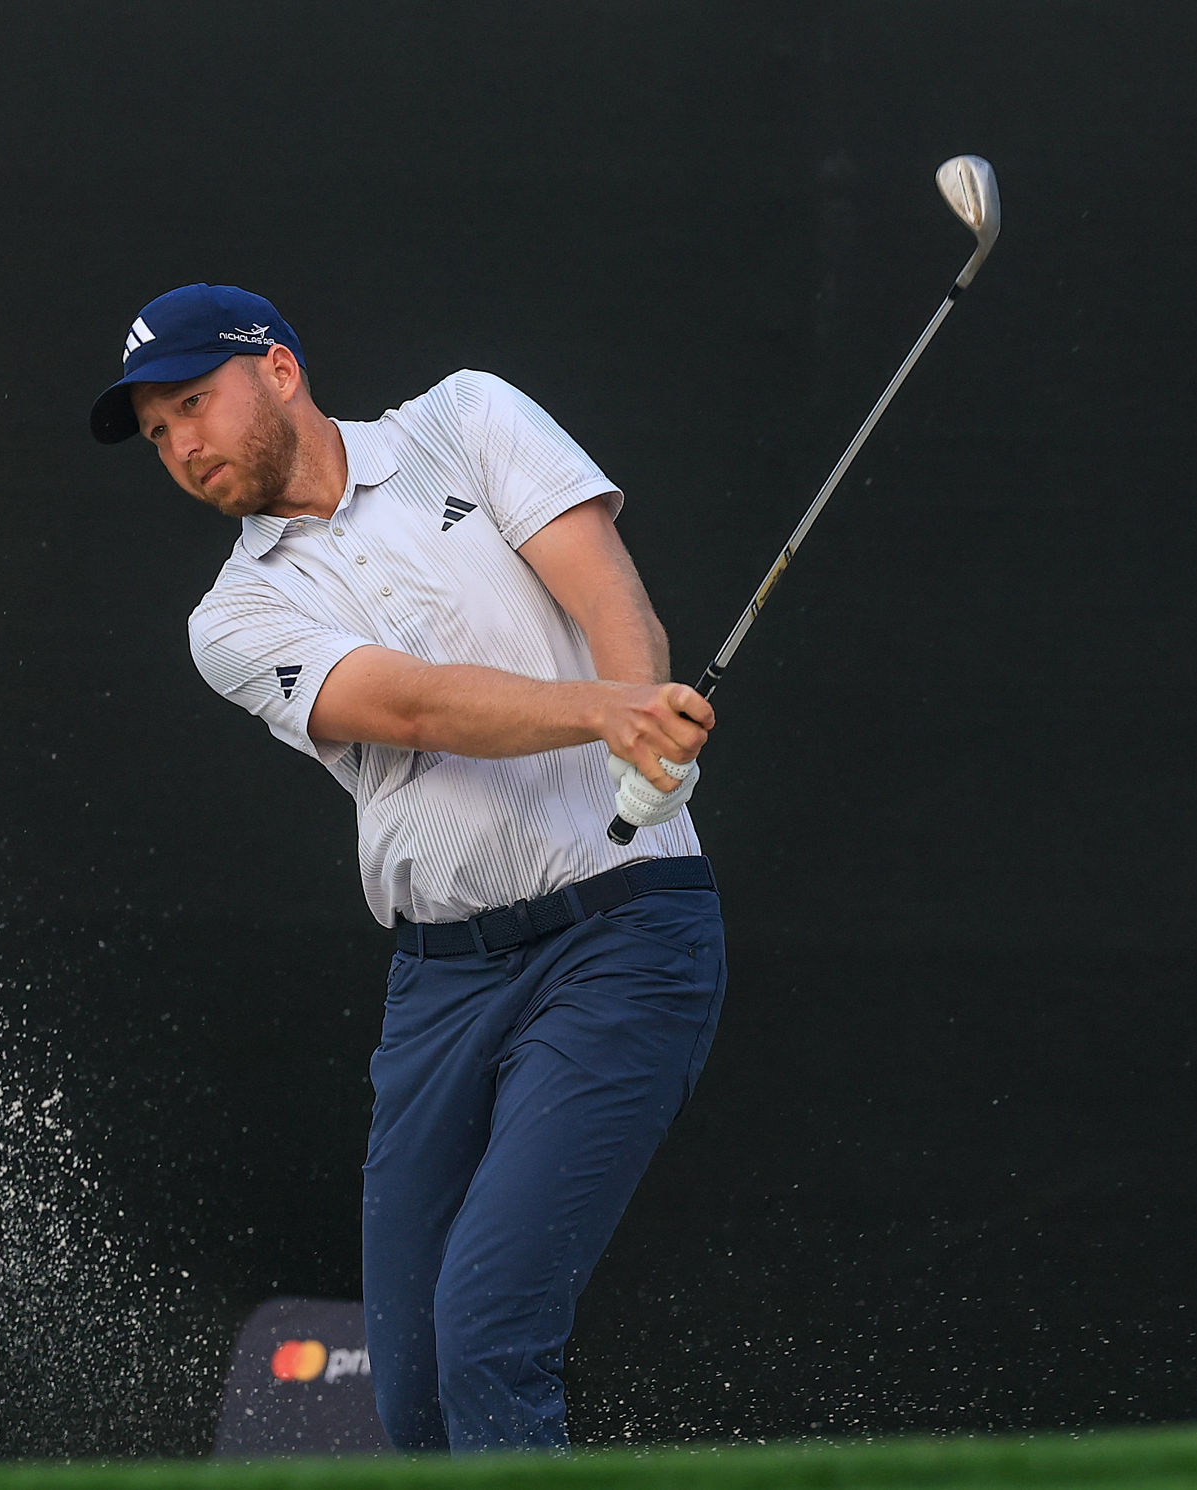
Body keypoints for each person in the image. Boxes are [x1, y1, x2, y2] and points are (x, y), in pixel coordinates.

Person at [89, 284, 726, 1453]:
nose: (180, 445)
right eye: (157, 431)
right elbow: (409, 704)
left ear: (279, 369)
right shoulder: (232, 616)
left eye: (192, 402)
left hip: (623, 935)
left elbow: (606, 592)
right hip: (443, 982)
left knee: (487, 1327)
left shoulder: (466, 417)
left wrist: (642, 714)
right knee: (416, 1391)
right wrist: (608, 711)